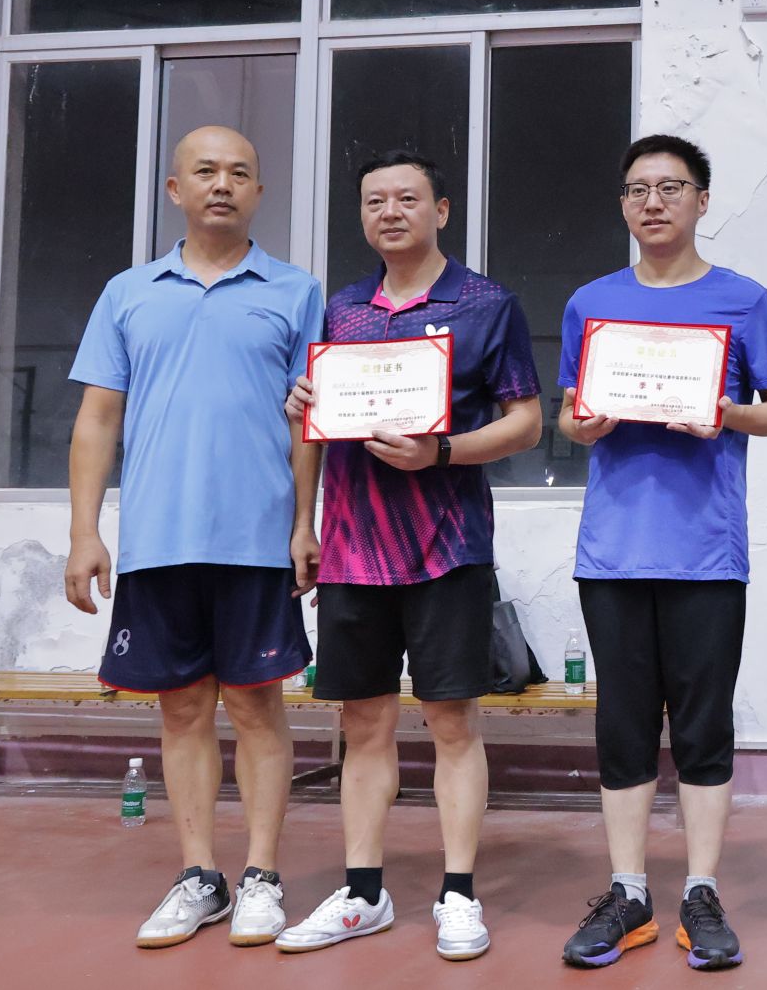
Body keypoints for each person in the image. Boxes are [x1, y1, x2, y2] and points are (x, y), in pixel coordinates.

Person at [275, 150, 542, 963]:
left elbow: (526, 422)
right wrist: (303, 520)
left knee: (453, 720)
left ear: (441, 210)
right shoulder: (344, 309)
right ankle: (364, 893)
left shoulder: (487, 304)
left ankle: (458, 892)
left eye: (407, 198)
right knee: (362, 723)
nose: (390, 211)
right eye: (374, 201)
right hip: (353, 549)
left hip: (447, 549)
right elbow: (314, 427)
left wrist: (442, 450)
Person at [65, 126, 323, 951]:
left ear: (258, 192)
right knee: (181, 707)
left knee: (256, 703)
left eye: (240, 172)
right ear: (175, 189)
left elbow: (309, 423)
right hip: (158, 537)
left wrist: (304, 522)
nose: (223, 184)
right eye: (205, 171)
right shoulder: (128, 293)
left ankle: (262, 875)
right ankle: (199, 874)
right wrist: (84, 531)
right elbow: (97, 418)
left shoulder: (296, 291)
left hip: (256, 538)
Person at [554, 135, 767, 971]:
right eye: (637, 189)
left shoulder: (744, 299)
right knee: (623, 726)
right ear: (623, 204)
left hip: (706, 551)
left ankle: (701, 891)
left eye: (670, 187)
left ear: (702, 199)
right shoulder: (592, 301)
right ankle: (628, 892)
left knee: (702, 725)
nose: (653, 202)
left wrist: (724, 414)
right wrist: (585, 424)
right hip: (613, 551)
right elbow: (569, 415)